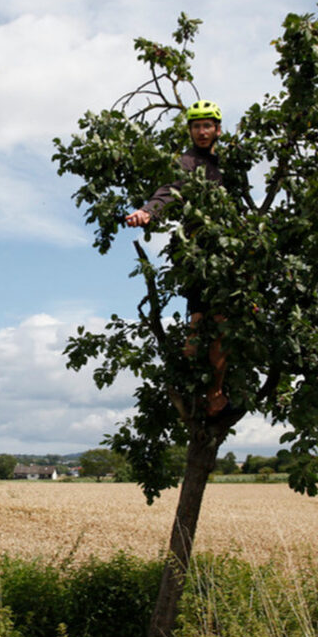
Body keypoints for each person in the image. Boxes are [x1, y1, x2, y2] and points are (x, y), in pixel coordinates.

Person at [125, 99, 229, 416]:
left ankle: (213, 394)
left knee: (220, 325)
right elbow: (168, 191)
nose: (201, 131)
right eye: (196, 126)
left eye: (207, 125)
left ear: (217, 129)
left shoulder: (231, 163)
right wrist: (147, 211)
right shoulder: (186, 163)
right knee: (201, 323)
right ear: (190, 130)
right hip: (199, 251)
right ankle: (203, 392)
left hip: (228, 250)